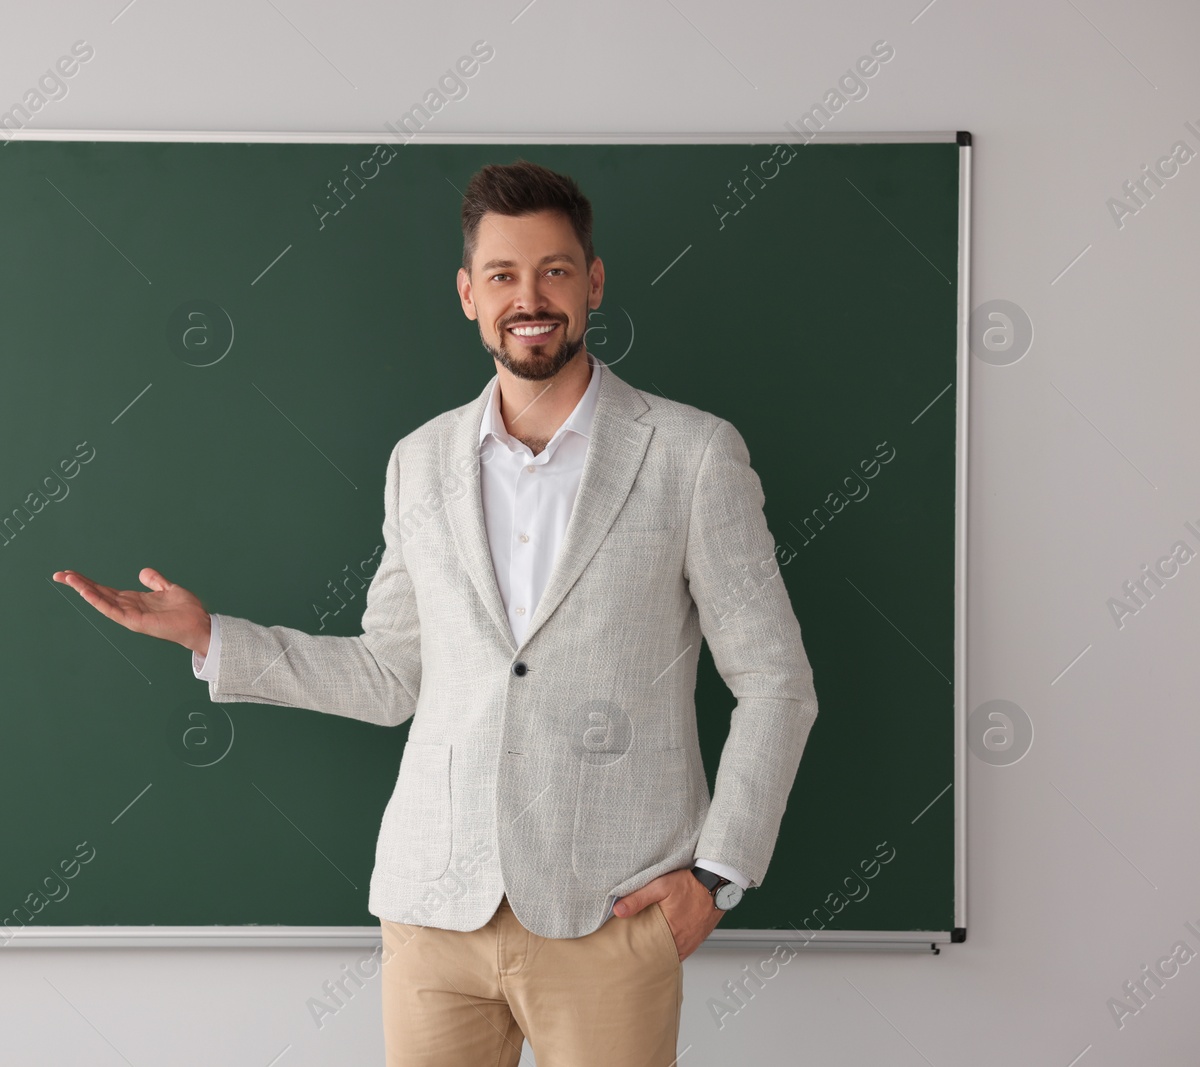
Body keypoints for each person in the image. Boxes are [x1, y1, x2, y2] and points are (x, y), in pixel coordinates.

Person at [54, 159, 818, 1066]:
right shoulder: (420, 462)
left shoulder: (692, 454)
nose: (528, 296)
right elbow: (391, 674)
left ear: (593, 281)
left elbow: (776, 681)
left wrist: (717, 875)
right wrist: (211, 637)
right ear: (467, 294)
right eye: (502, 275)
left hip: (612, 913)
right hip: (432, 914)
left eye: (554, 270)